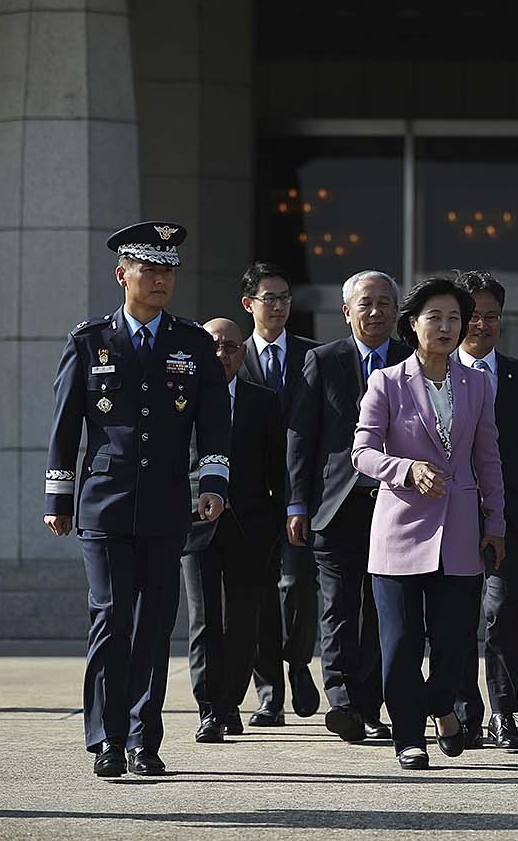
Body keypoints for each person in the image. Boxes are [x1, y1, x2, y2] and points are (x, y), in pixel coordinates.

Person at [43, 221, 230, 778]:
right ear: (122, 274)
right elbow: (64, 425)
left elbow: (214, 425)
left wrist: (215, 484)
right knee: (110, 616)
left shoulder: (193, 343)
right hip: (103, 503)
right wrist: (60, 494)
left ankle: (146, 741)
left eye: (168, 270)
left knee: (154, 624)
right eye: (149, 269)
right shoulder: (89, 340)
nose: (160, 280)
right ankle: (107, 737)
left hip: (167, 504)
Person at [353, 277, 507, 771]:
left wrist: (496, 521)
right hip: (398, 532)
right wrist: (406, 469)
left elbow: (488, 458)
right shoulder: (386, 381)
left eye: (454, 319)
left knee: (455, 644)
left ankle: (440, 704)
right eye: (434, 318)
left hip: (460, 533)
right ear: (413, 324)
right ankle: (408, 736)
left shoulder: (477, 383)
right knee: (399, 646)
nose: (445, 327)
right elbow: (362, 453)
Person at [287, 270, 404, 744]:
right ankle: (341, 701)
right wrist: (297, 502)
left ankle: (369, 703)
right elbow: (301, 436)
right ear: (347, 311)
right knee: (337, 606)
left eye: (384, 304)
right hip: (335, 506)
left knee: (380, 611)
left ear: (398, 312)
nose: (375, 312)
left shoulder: (411, 360)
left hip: (396, 507)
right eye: (366, 303)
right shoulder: (323, 360)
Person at [453, 271, 518, 751]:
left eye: (492, 316)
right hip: (446, 517)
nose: (482, 325)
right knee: (456, 617)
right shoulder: (432, 373)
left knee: (504, 611)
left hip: (505, 520)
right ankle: (465, 712)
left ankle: (503, 711)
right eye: (473, 316)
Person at [181, 318, 286, 744]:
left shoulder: (263, 401)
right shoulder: (181, 401)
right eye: (213, 346)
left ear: (243, 353)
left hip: (250, 526)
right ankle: (210, 708)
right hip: (195, 524)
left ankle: (231, 702)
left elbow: (278, 466)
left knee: (243, 619)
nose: (221, 354)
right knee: (204, 619)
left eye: (230, 347)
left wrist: (276, 522)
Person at [237, 261, 321, 727]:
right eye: (270, 298)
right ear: (249, 304)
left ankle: (299, 661)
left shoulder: (312, 356)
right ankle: (268, 693)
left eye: (285, 297)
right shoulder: (233, 355)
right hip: (248, 498)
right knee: (258, 597)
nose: (279, 306)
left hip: (298, 496)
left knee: (297, 587)